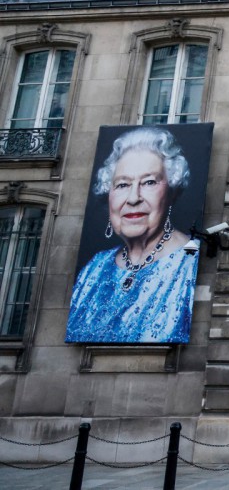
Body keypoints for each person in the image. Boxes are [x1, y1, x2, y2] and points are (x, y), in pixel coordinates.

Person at [66, 127, 199, 343]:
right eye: (123, 184)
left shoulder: (191, 260)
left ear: (172, 191)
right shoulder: (94, 269)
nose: (133, 197)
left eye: (149, 182)